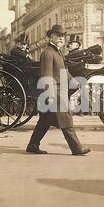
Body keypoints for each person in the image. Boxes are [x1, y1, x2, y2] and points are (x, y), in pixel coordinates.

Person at [26, 24, 90, 156]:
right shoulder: (47, 53)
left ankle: (32, 145)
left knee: (44, 121)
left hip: (60, 90)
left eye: (62, 36)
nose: (61, 38)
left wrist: (75, 82)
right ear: (51, 37)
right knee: (66, 119)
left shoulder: (58, 52)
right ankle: (76, 148)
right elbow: (46, 76)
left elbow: (64, 72)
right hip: (55, 92)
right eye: (58, 35)